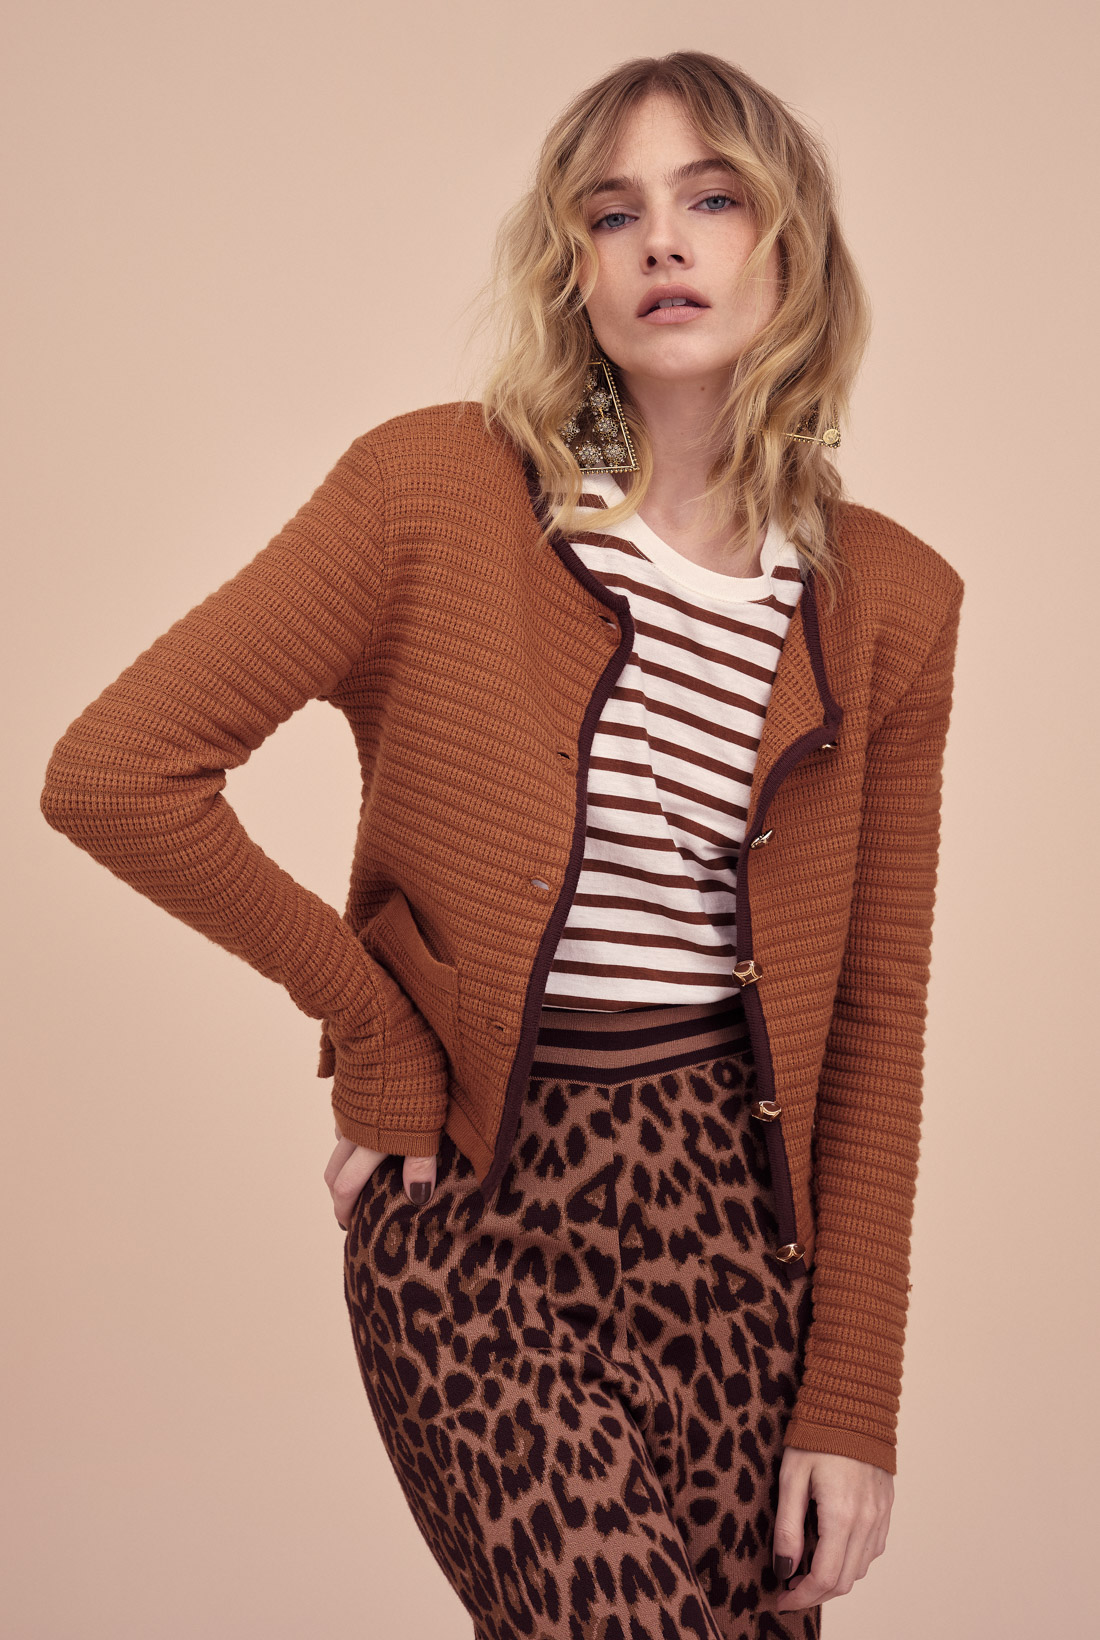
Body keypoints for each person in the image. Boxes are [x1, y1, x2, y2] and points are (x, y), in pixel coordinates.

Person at [40, 49, 964, 1640]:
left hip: (739, 1236)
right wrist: (376, 1023)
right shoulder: (431, 495)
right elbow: (115, 774)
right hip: (484, 1213)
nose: (660, 242)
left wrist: (854, 1394)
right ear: (572, 267)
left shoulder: (892, 600)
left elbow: (877, 1017)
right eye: (611, 213)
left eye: (712, 200)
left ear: (793, 245)